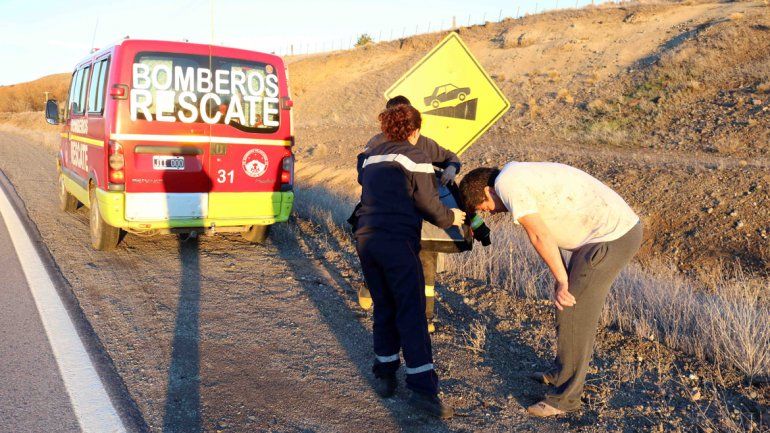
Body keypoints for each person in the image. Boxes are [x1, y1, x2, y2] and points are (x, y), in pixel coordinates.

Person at [458, 162, 643, 417]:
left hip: (611, 238)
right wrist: (561, 276)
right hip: (601, 237)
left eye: (483, 207)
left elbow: (539, 236)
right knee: (567, 306)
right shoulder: (514, 174)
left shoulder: (507, 184)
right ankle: (561, 373)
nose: (488, 212)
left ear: (488, 191)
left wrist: (562, 281)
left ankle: (565, 399)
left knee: (573, 311)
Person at [353, 104, 465, 418]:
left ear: (386, 128)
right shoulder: (416, 156)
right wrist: (451, 217)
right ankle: (423, 390)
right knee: (412, 311)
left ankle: (385, 373)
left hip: (367, 238)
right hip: (397, 242)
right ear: (415, 130)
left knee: (384, 305)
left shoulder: (371, 156)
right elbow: (428, 203)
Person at [359, 95, 476, 333]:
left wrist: (451, 169)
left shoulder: (424, 144)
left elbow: (451, 159)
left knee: (426, 265)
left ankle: (425, 318)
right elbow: (363, 176)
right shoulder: (376, 145)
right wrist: (448, 217)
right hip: (390, 217)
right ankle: (374, 291)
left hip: (421, 219)